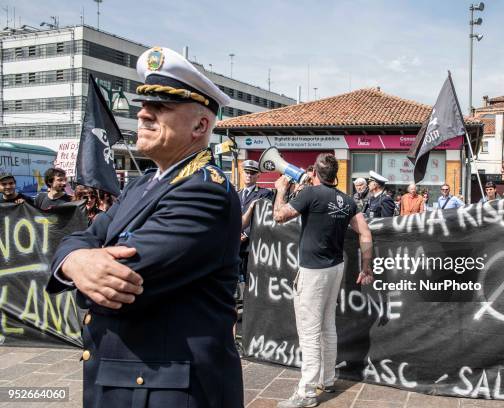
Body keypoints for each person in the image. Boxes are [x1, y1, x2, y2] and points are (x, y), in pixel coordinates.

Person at [45, 47, 243, 407]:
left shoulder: (204, 190)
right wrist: (75, 261)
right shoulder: (142, 184)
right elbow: (80, 237)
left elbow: (119, 283)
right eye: (143, 105)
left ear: (200, 126)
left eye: (161, 107)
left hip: (168, 392)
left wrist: (82, 261)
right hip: (128, 380)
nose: (143, 114)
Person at [272, 153, 373, 408]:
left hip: (313, 272)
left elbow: (279, 216)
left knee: (309, 333)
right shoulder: (348, 201)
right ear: (335, 174)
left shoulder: (310, 195)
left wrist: (281, 191)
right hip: (335, 269)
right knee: (328, 326)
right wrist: (366, 267)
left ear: (315, 173)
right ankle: (327, 379)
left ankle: (306, 393)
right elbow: (366, 233)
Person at [237, 160, 273, 292]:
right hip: (236, 244)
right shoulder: (237, 194)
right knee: (237, 275)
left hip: (253, 244)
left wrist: (246, 234)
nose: (249, 175)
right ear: (242, 173)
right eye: (247, 172)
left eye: (252, 173)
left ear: (258, 176)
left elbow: (264, 219)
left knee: (251, 276)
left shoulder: (265, 193)